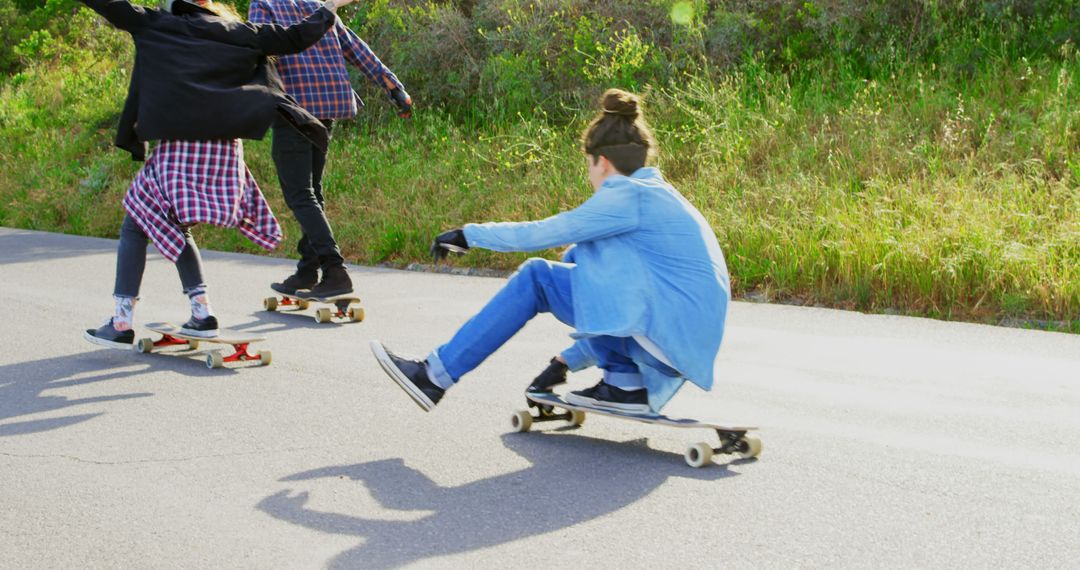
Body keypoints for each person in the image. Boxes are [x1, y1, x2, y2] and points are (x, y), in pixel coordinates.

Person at [370, 89, 732, 414]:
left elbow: (545, 231)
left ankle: (434, 376)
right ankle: (625, 386)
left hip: (667, 337)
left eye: (589, 165)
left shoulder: (625, 196)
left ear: (601, 161)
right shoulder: (659, 195)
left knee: (538, 277)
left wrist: (469, 234)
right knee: (580, 261)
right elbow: (620, 301)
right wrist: (565, 362)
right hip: (681, 343)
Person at [81, 0, 359, 348]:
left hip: (179, 146)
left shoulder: (157, 24)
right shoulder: (239, 32)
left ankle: (122, 321)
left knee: (135, 221)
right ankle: (201, 313)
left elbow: (112, 7)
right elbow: (294, 38)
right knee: (170, 222)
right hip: (224, 151)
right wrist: (329, 8)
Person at [248, 0, 412, 299]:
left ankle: (335, 270)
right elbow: (354, 47)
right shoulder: (317, 4)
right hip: (327, 105)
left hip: (293, 106)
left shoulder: (264, 4)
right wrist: (393, 86)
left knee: (300, 193)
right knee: (313, 189)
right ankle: (308, 270)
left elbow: (259, 45)